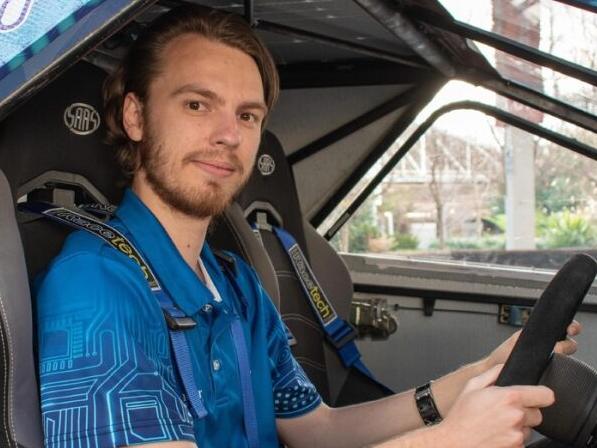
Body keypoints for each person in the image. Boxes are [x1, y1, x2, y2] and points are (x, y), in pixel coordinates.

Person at [35, 5, 581, 448]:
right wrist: (449, 442)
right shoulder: (96, 286)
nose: (229, 134)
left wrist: (470, 380)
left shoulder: (234, 283)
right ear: (135, 116)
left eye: (248, 115)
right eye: (198, 104)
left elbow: (319, 429)